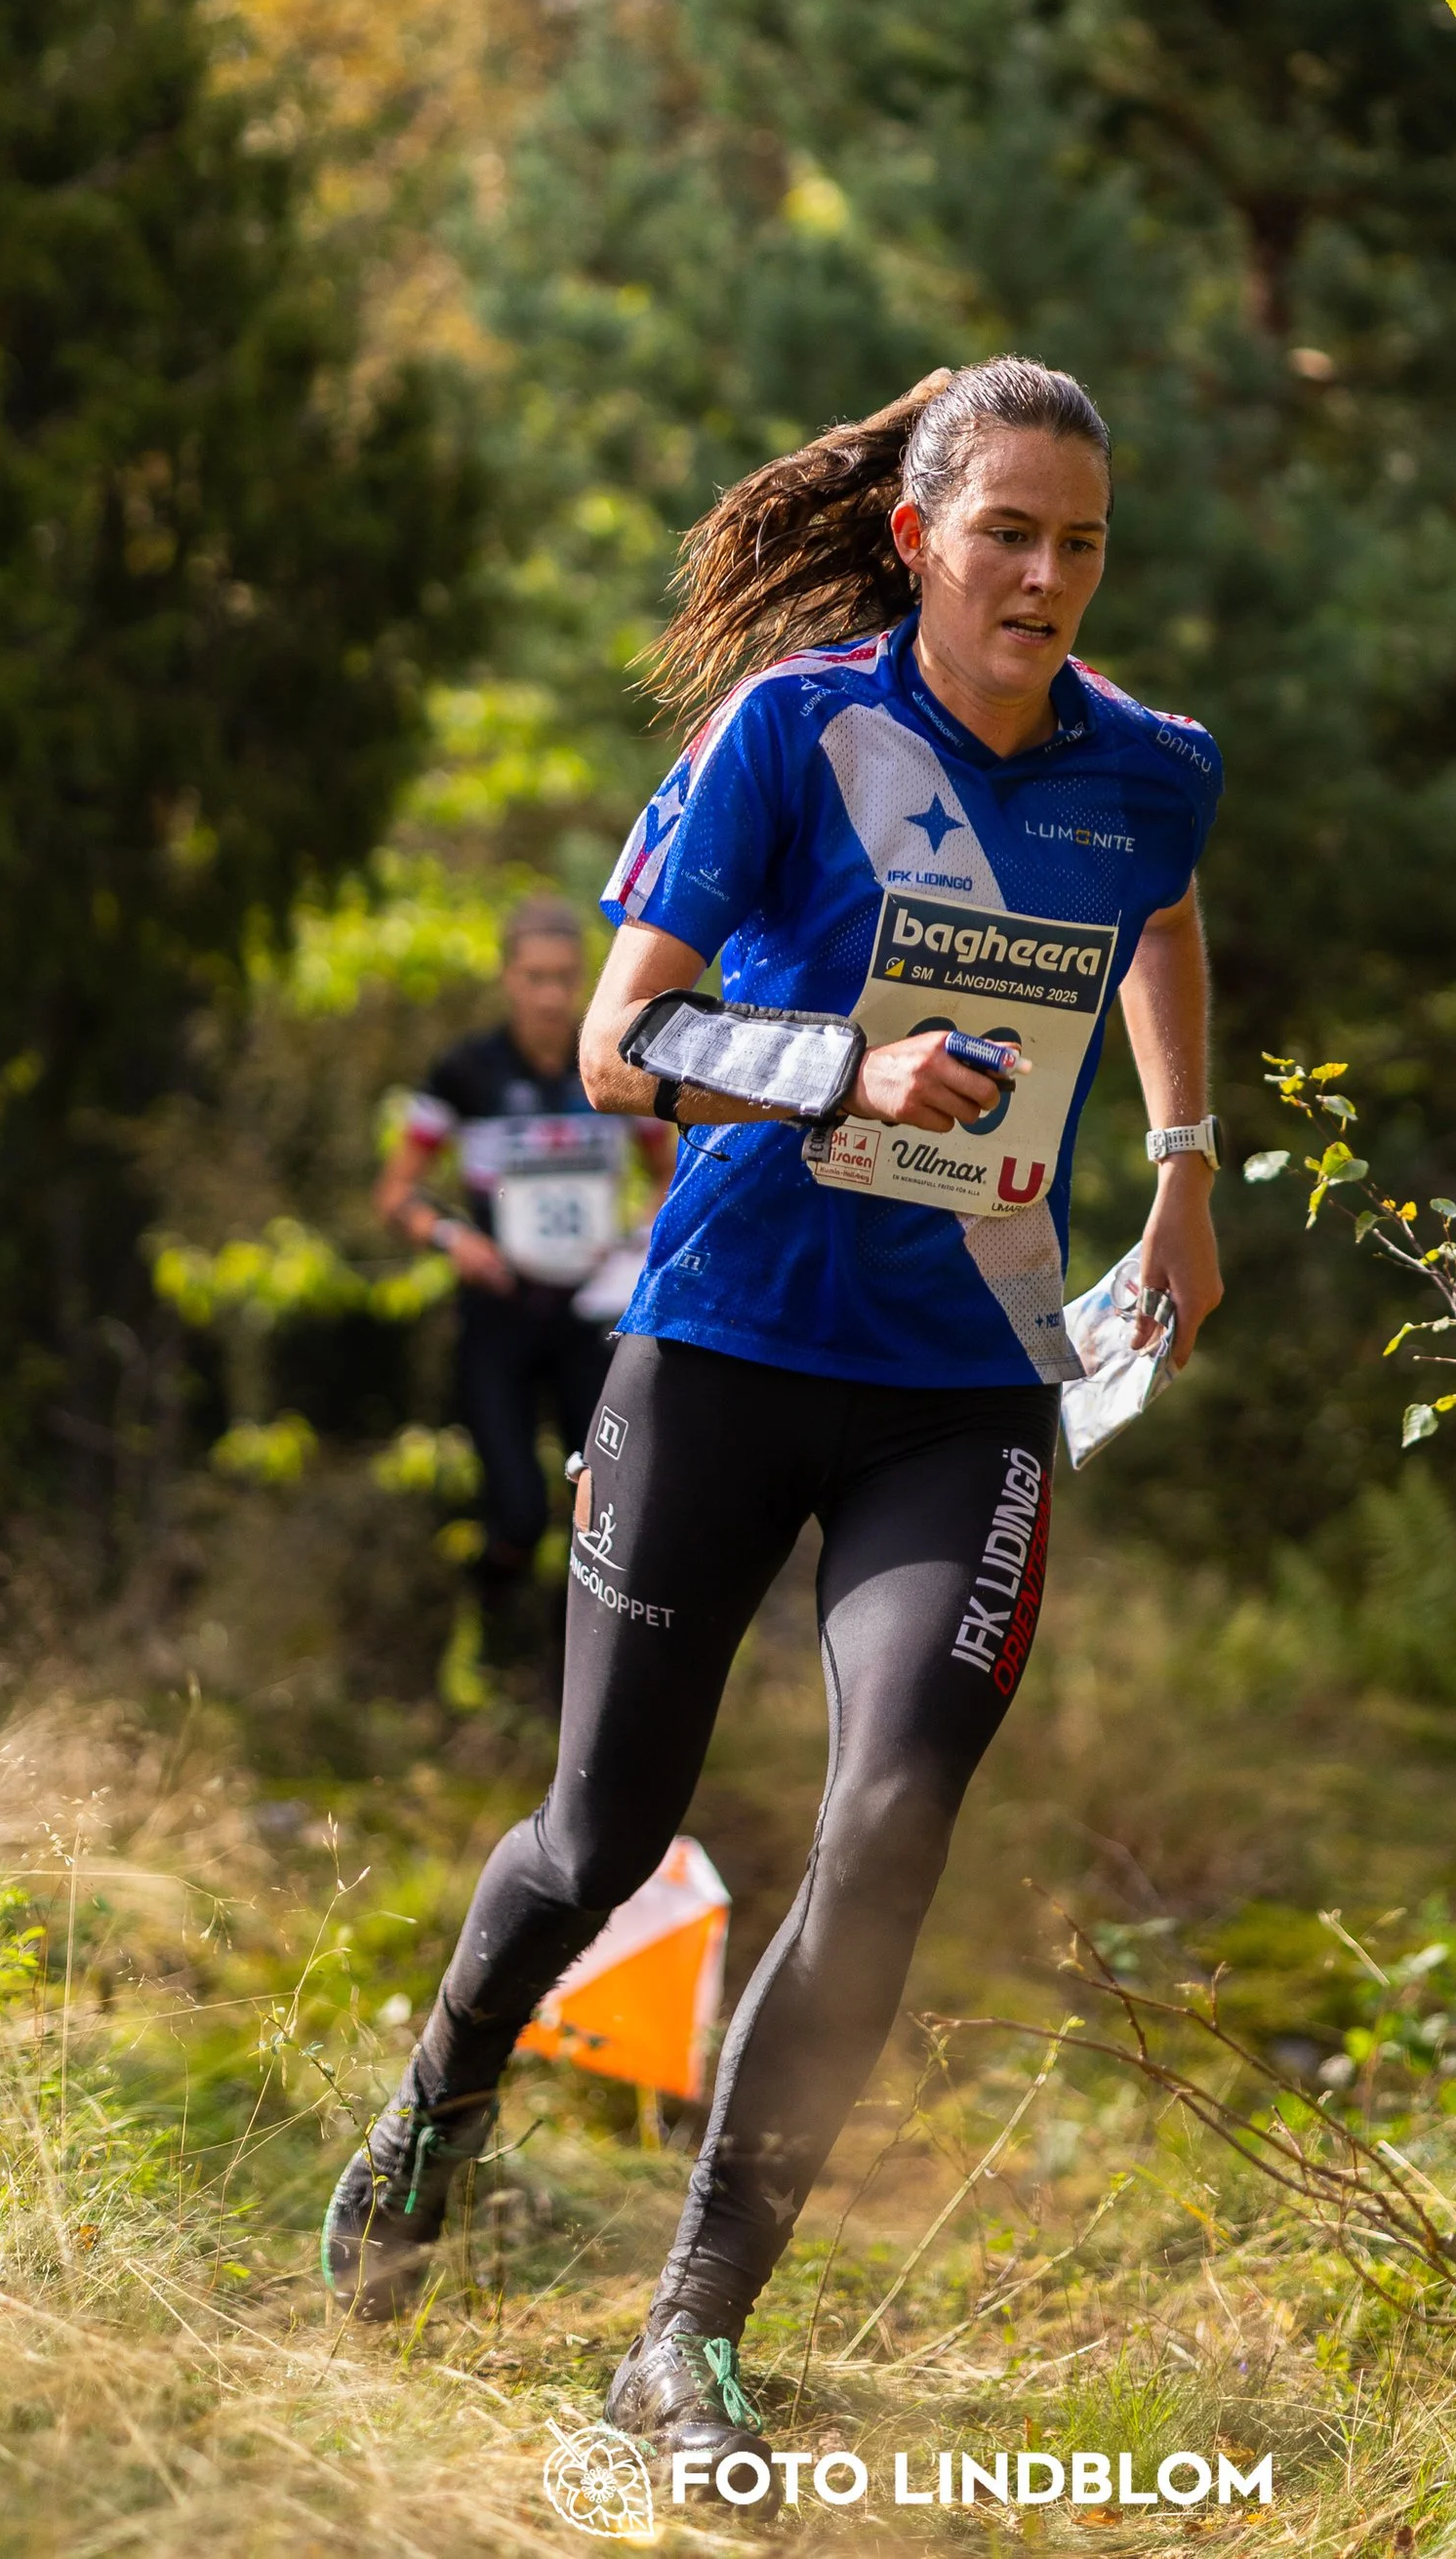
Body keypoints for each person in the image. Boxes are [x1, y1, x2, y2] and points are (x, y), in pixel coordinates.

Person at [323, 358, 1226, 2471]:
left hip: (971, 1384)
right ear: (917, 536)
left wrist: (1185, 1170)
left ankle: (685, 2331)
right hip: (718, 1343)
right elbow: (627, 1045)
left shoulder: (1148, 766)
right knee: (599, 1829)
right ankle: (444, 2086)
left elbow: (1161, 916)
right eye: (1005, 529)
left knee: (890, 1819)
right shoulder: (795, 727)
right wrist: (842, 1067)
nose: (1045, 574)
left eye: (1079, 540)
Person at [375, 893, 671, 1680]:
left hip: (585, 1318)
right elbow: (396, 1193)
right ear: (509, 978)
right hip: (498, 1316)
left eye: (565, 977)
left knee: (594, 1512)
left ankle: (563, 1682)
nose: (549, 993)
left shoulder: (608, 1062)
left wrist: (632, 1238)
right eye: (535, 976)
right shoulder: (466, 1071)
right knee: (513, 1508)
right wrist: (455, 1238)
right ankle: (477, 1639)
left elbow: (669, 1178)